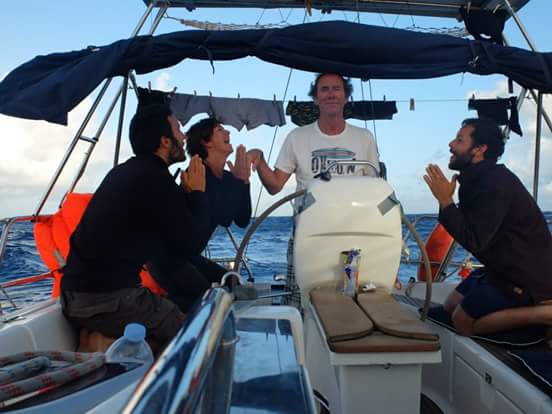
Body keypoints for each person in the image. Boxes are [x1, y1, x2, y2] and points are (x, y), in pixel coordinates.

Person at [61, 104, 211, 352]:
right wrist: (197, 193)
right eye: (178, 129)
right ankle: (104, 344)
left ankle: (101, 336)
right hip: (105, 300)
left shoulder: (128, 172)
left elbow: (172, 234)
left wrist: (184, 195)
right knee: (193, 337)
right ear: (165, 141)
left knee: (170, 308)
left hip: (76, 295)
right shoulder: (155, 179)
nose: (184, 136)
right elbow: (192, 244)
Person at [248, 73, 380, 306]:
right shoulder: (297, 137)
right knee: (300, 301)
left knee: (350, 302)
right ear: (316, 99)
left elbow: (374, 189)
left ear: (346, 96)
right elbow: (275, 185)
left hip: (351, 235)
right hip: (307, 234)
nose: (331, 94)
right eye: (324, 89)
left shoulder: (364, 138)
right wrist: (260, 162)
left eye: (336, 89)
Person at [424, 117, 552, 337]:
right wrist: (446, 202)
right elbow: (470, 228)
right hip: (503, 270)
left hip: (527, 278)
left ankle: (546, 314)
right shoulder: (477, 179)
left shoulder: (496, 183)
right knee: (450, 305)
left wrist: (446, 201)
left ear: (479, 149)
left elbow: (475, 240)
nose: (451, 145)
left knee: (461, 321)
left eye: (459, 140)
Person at [148, 118, 252, 308]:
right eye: (220, 129)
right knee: (206, 301)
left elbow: (242, 219)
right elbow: (224, 217)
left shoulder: (228, 178)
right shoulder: (196, 173)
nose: (228, 133)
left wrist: (244, 182)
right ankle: (156, 309)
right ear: (206, 142)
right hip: (165, 258)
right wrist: (239, 182)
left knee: (233, 283)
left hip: (188, 255)